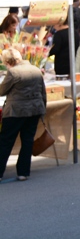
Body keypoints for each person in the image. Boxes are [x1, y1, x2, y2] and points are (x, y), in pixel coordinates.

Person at [0, 49, 46, 183]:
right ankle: (23, 172)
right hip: (34, 109)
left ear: (8, 62)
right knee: (27, 140)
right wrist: (43, 109)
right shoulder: (36, 70)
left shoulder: (13, 72)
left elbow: (2, 91)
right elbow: (43, 92)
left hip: (16, 111)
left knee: (6, 141)